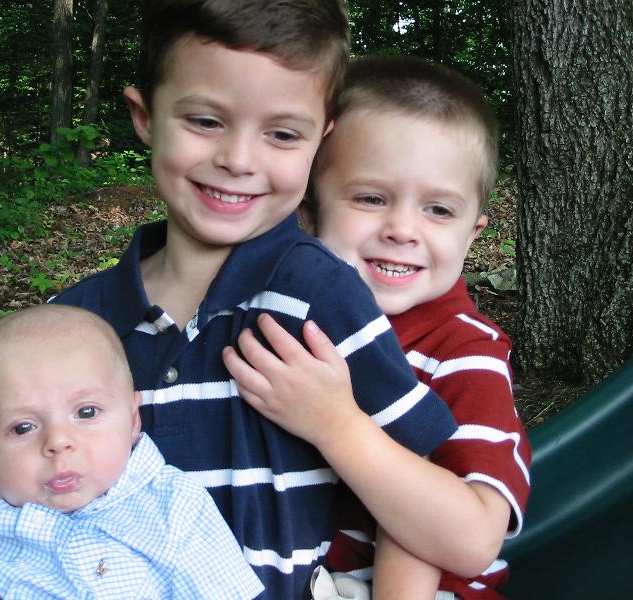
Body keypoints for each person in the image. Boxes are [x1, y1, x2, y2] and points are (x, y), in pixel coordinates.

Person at [0, 2, 458, 597]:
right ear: (145, 117)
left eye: (282, 134)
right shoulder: (73, 323)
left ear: (320, 139)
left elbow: (415, 500)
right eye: (205, 121)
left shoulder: (318, 298)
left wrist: (339, 428)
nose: (238, 160)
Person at [223, 56, 532, 599]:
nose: (402, 230)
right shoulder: (278, 317)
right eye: (371, 198)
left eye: (439, 210)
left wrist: (336, 425)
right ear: (308, 212)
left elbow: (472, 541)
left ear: (472, 232)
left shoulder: (462, 350)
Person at [0, 304, 264, 600]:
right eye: (23, 427)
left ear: (133, 419)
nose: (57, 441)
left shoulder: (173, 506)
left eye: (86, 412)